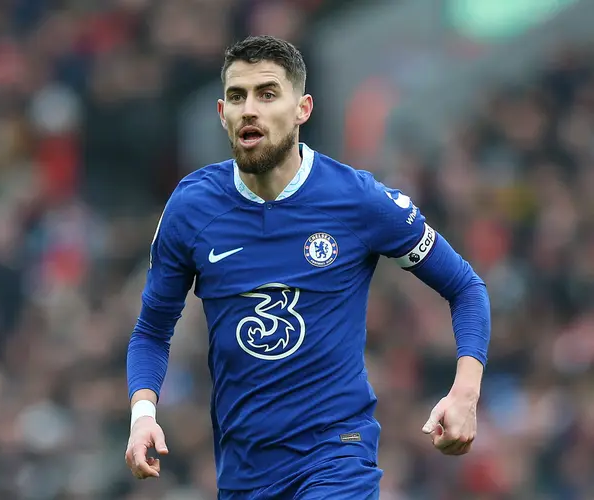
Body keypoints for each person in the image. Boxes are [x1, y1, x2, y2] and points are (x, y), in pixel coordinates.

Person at [125, 35, 491, 499]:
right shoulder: (191, 209)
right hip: (243, 471)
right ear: (222, 114)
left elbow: (465, 288)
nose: (249, 109)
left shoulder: (357, 199)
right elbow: (152, 332)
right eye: (237, 96)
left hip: (336, 457)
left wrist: (465, 391)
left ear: (303, 109)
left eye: (267, 93)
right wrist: (143, 417)